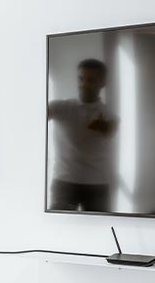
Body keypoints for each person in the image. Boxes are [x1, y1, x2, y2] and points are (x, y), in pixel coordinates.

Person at [48, 58, 118, 212]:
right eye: (81, 79)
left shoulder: (108, 115)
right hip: (64, 182)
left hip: (96, 185)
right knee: (59, 231)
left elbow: (109, 128)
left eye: (91, 80)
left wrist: (102, 126)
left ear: (102, 83)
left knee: (99, 232)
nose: (84, 84)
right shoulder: (60, 107)